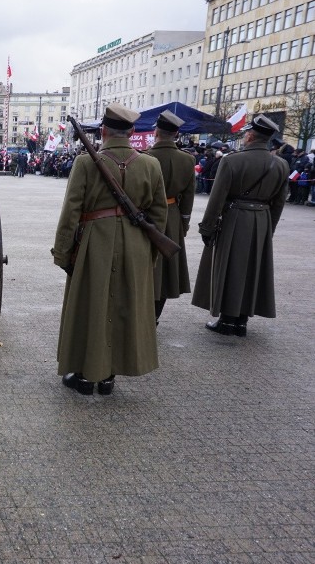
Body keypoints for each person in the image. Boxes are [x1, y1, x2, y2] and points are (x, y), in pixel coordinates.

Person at [51, 103, 167, 396]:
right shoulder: (150, 164)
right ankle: (109, 376)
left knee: (90, 306)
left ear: (103, 130)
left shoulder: (85, 163)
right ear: (131, 132)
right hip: (136, 244)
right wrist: (148, 254)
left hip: (94, 241)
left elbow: (71, 213)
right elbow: (159, 216)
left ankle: (85, 375)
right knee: (124, 306)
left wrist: (63, 253)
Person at [192, 114, 289, 337]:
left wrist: (207, 227)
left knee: (231, 267)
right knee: (251, 270)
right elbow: (279, 203)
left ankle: (227, 320)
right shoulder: (281, 164)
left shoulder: (232, 160)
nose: (245, 135)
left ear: (251, 135)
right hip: (262, 219)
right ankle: (242, 322)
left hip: (235, 217)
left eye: (246, 133)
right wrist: (269, 229)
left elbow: (216, 198)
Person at [144, 110, 196, 323]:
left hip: (145, 215)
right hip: (173, 215)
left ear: (156, 132)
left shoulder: (145, 157)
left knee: (145, 265)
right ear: (176, 135)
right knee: (166, 269)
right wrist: (183, 223)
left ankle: (143, 313)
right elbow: (189, 197)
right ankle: (155, 315)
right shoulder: (187, 159)